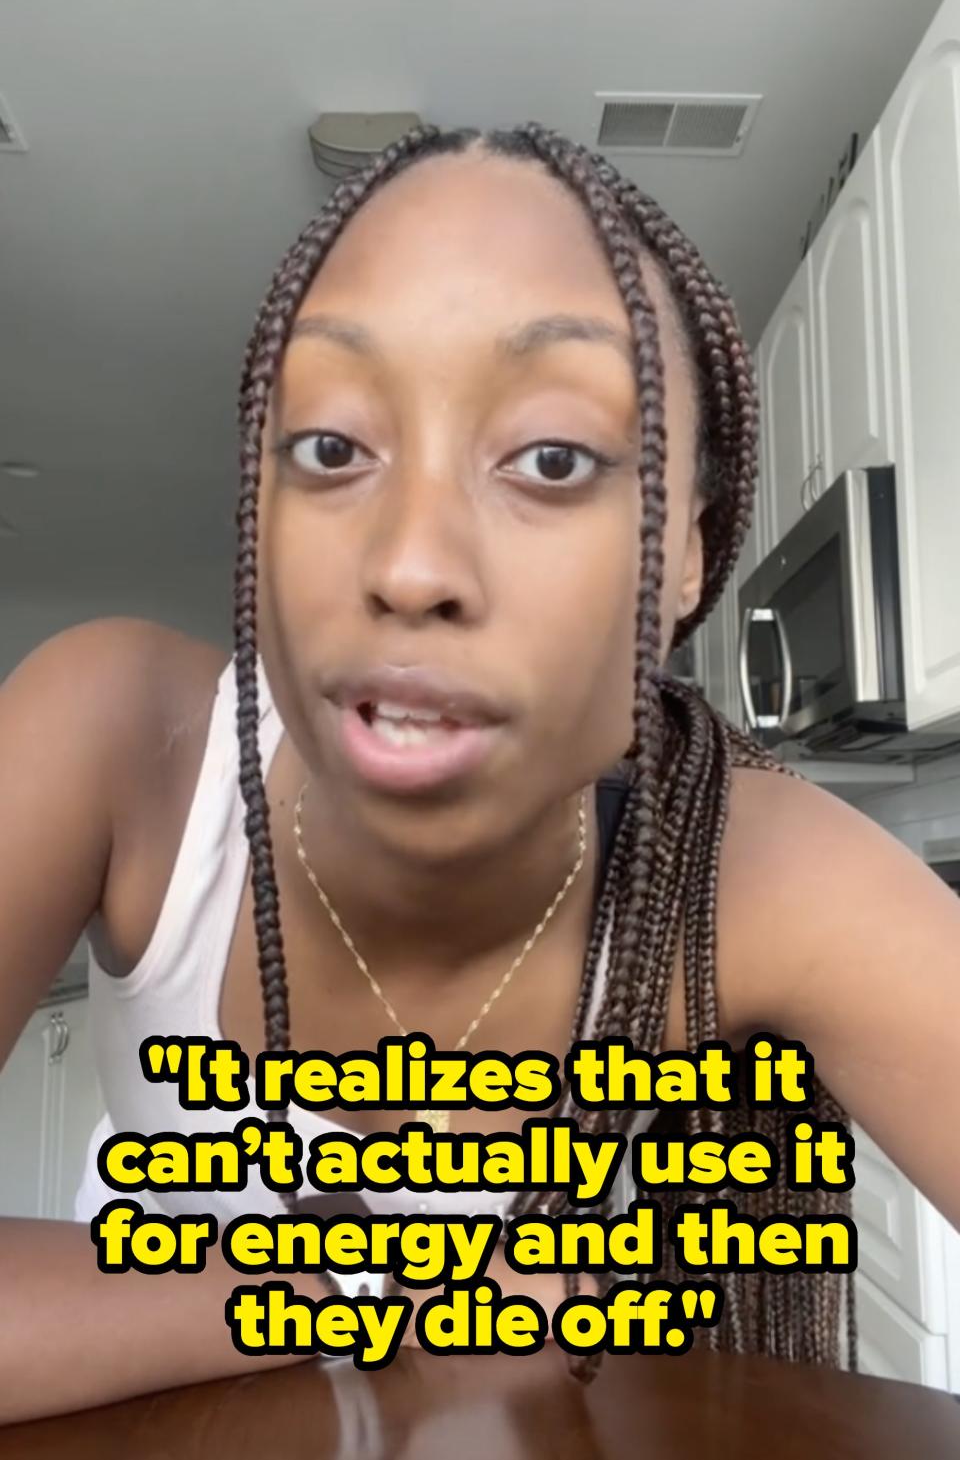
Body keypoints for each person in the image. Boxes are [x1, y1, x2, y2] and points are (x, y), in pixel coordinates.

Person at [1, 124, 958, 1424]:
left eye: (551, 458)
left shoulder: (757, 875)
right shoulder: (124, 741)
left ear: (682, 556)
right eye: (333, 449)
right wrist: (380, 1277)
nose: (409, 562)